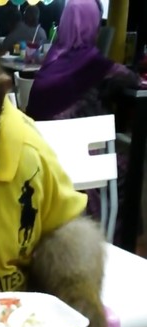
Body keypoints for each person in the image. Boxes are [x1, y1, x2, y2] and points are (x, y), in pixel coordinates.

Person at [25, 0, 140, 245]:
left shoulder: (51, 59)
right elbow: (131, 79)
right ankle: (120, 242)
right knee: (129, 165)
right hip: (78, 164)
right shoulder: (94, 64)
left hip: (39, 162)